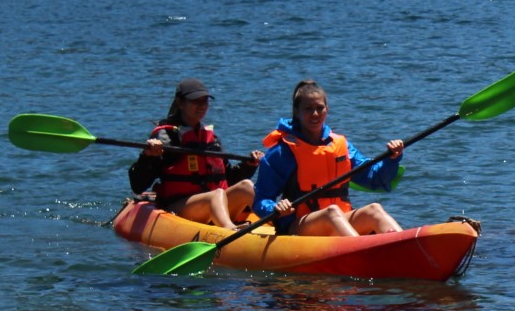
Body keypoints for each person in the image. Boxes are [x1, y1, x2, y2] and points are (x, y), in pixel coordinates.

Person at [252, 79, 405, 237]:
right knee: (331, 213)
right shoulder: (282, 153)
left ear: (327, 109)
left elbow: (374, 178)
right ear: (297, 112)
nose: (315, 114)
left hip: (340, 221)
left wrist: (392, 159)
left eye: (320, 108)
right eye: (308, 109)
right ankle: (360, 253)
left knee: (374, 209)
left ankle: (406, 247)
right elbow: (260, 200)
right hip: (298, 226)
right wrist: (276, 208)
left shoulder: (340, 145)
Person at [128, 78, 261, 229]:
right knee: (216, 194)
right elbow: (138, 186)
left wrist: (249, 165)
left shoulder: (211, 138)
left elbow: (227, 179)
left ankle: (278, 225)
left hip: (214, 203)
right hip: (180, 207)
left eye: (205, 101)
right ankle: (230, 231)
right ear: (180, 103)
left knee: (247, 186)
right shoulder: (166, 137)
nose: (202, 106)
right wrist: (148, 157)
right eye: (195, 101)